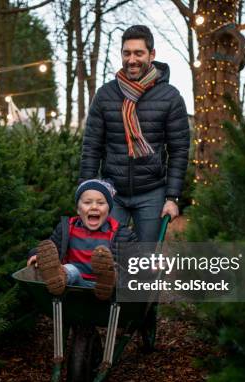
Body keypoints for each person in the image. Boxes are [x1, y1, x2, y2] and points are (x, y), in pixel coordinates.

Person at [79, 25, 190, 242]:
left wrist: (172, 197)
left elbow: (179, 150)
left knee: (144, 262)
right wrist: (86, 193)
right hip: (111, 193)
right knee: (106, 259)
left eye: (138, 53)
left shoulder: (170, 97)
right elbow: (92, 147)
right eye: (126, 53)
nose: (132, 59)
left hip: (152, 193)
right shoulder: (105, 95)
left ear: (152, 54)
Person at [27, 179, 137, 300]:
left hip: (107, 288)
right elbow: (51, 249)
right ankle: (58, 278)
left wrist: (150, 263)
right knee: (70, 269)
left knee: (115, 269)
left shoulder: (121, 233)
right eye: (87, 202)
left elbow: (136, 257)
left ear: (108, 210)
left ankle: (108, 278)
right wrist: (37, 255)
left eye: (100, 203)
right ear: (78, 209)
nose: (94, 207)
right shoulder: (67, 228)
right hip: (74, 284)